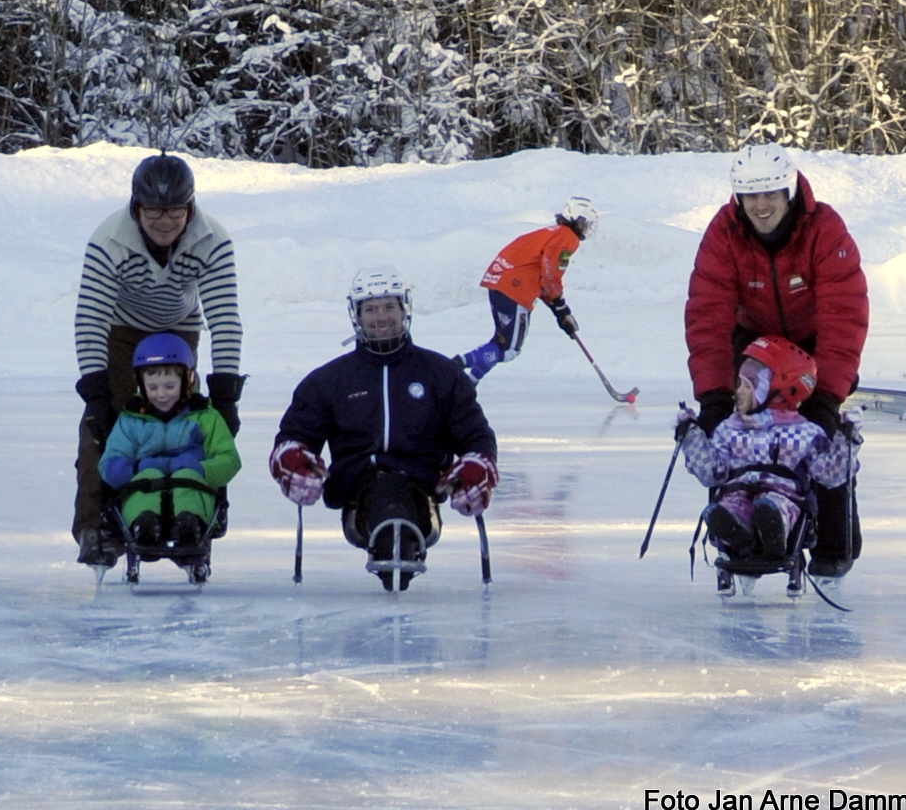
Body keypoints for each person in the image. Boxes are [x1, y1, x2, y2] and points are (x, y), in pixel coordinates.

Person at [684, 145, 868, 578]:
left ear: (789, 191)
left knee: (820, 438)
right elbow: (707, 315)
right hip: (751, 343)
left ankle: (834, 542)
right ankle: (738, 529)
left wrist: (826, 398)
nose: (761, 206)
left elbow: (845, 316)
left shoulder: (825, 229)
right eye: (750, 196)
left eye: (770, 194)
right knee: (733, 431)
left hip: (814, 341)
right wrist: (712, 397)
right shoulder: (723, 234)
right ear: (737, 198)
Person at [272, 267, 499, 590]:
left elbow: (475, 433)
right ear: (357, 315)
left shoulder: (442, 374)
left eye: (389, 306)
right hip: (358, 493)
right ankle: (390, 537)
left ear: (404, 310)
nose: (381, 317)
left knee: (399, 490)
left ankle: (403, 536)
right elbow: (295, 433)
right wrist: (294, 460)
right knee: (383, 489)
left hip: (423, 489)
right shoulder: (328, 381)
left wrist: (476, 466)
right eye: (371, 308)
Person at [72, 153, 244, 568]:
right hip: (120, 329)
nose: (165, 222)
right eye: (154, 212)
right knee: (108, 427)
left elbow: (225, 317)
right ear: (137, 208)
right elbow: (90, 317)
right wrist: (96, 394)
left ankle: (190, 518)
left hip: (180, 328)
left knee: (189, 425)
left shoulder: (212, 239)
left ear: (190, 207)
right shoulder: (110, 239)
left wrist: (225, 394)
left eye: (174, 211)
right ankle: (96, 528)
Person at [676, 336, 855, 565]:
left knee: (773, 506)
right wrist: (690, 435)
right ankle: (738, 533)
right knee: (730, 508)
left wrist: (847, 441)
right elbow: (712, 472)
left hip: (785, 496)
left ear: (774, 390)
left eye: (747, 385)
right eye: (738, 383)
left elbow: (830, 474)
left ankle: (773, 533)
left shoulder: (803, 433)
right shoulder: (730, 429)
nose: (737, 391)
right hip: (739, 493)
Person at [98, 333, 241, 550]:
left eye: (169, 386)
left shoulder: (204, 415)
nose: (161, 395)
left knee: (186, 476)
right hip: (143, 485)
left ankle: (189, 522)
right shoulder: (131, 419)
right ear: (140, 384)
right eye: (153, 387)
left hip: (191, 485)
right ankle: (143, 522)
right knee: (148, 476)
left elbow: (229, 459)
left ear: (187, 380)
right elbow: (109, 464)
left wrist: (201, 470)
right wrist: (136, 467)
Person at [461, 197, 598, 381]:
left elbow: (542, 278)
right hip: (515, 289)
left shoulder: (553, 232)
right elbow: (550, 277)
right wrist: (561, 306)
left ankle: (468, 383)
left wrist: (561, 312)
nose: (585, 229)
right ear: (573, 218)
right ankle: (453, 366)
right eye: (583, 223)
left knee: (500, 343)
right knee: (509, 349)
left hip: (500, 283)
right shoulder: (567, 237)